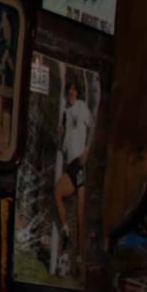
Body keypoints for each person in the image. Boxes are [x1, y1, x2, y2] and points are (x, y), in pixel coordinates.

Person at [52, 74, 92, 274]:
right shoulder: (66, 112)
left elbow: (92, 128)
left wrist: (87, 150)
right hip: (71, 163)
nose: (72, 92)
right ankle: (66, 233)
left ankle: (79, 258)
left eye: (75, 89)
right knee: (59, 194)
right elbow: (64, 139)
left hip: (79, 162)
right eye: (70, 90)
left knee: (81, 212)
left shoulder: (82, 107)